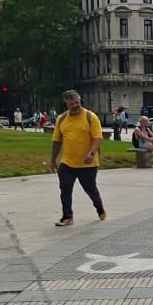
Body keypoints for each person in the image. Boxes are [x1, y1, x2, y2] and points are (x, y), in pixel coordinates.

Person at [50, 90, 106, 226]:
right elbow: (57, 141)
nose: (75, 106)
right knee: (65, 190)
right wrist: (53, 160)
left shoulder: (90, 117)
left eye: (77, 102)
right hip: (67, 163)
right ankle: (67, 216)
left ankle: (99, 207)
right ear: (66, 104)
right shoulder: (61, 119)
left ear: (80, 100)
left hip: (87, 164)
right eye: (71, 104)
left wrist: (91, 153)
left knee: (90, 189)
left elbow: (97, 138)